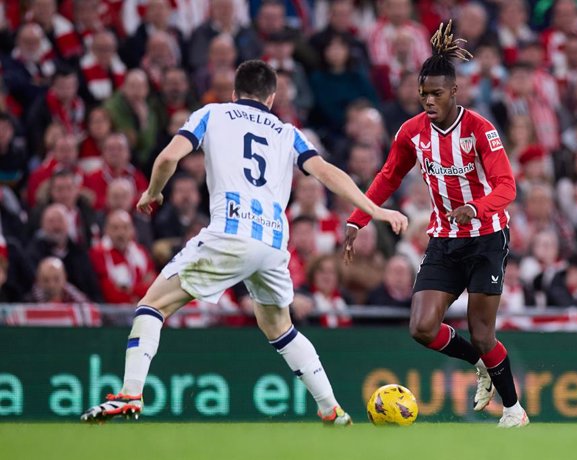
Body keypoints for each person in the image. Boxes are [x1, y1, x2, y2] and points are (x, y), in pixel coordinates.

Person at [81, 60, 407, 425]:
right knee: (280, 328)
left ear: (234, 93)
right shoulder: (288, 132)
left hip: (230, 233)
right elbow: (328, 172)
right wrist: (374, 209)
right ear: (272, 97)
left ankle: (130, 394)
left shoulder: (213, 114)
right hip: (272, 243)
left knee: (152, 307)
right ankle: (332, 409)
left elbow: (170, 156)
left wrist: (152, 192)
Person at [344, 21, 528, 427]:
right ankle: (481, 366)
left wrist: (476, 208)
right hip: (444, 239)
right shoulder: (412, 132)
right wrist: (358, 219)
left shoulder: (481, 130)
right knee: (422, 327)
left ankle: (514, 411)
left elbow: (507, 186)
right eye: (423, 93)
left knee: (483, 333)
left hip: (487, 237)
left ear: (455, 92)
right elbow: (387, 177)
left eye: (437, 94)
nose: (428, 101)